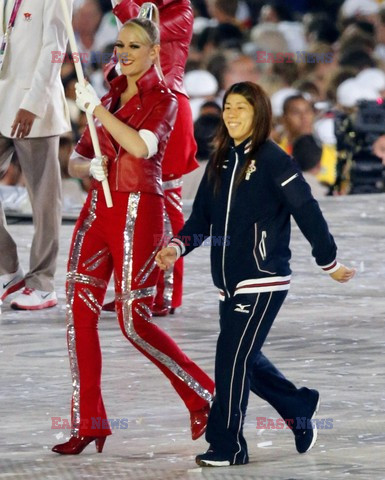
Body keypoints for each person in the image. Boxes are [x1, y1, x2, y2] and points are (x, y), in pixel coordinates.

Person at [156, 81, 356, 467]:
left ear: (258, 114)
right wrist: (177, 247)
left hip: (264, 278)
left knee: (230, 358)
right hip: (227, 284)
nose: (231, 115)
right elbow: (201, 219)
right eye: (228, 107)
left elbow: (307, 210)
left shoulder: (274, 159)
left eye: (240, 108)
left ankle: (228, 444)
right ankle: (298, 405)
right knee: (245, 359)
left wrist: (328, 262)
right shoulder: (221, 160)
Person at [51, 15, 214, 456]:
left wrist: (97, 111)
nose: (123, 53)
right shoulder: (105, 95)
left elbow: (143, 147)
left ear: (155, 52)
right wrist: (90, 167)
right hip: (97, 211)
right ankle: (90, 422)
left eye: (134, 47)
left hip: (138, 211)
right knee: (78, 316)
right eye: (119, 45)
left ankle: (205, 396)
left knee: (134, 321)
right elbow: (76, 162)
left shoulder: (165, 100)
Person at [103, 0, 199, 316]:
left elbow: (146, 32)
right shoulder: (142, 6)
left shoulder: (180, 12)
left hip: (166, 109)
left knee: (165, 204)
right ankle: (135, 288)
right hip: (134, 109)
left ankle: (166, 292)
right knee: (130, 204)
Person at [0, 0, 71, 308]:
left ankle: (42, 283)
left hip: (34, 105)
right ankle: (9, 268)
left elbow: (55, 49)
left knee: (43, 197)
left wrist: (33, 102)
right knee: (43, 196)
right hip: (2, 97)